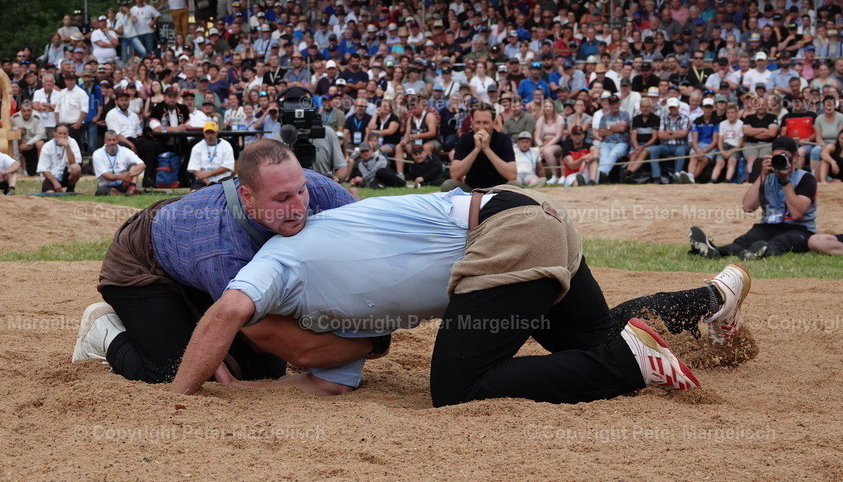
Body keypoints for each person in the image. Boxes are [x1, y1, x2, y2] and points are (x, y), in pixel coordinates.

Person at [160, 186, 753, 404]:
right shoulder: (333, 219)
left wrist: (180, 394)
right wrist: (273, 385)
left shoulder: (275, 262)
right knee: (592, 338)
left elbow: (229, 311)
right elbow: (325, 373)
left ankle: (630, 363)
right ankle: (707, 299)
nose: (293, 209)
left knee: (455, 387)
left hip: (504, 236)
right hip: (529, 216)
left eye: (293, 197)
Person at [72, 139, 362, 389]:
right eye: (282, 199)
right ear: (248, 197)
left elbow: (368, 240)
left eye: (300, 190)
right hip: (141, 265)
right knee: (177, 374)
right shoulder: (222, 251)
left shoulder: (317, 190)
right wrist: (366, 345)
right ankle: (105, 331)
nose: (299, 206)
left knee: (266, 370)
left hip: (187, 248)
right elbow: (248, 329)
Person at [689, 136, 816, 260]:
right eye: (775, 156)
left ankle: (756, 253)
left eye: (783, 156)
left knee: (779, 243)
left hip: (798, 229)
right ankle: (714, 251)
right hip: (768, 225)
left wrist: (785, 181)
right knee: (744, 241)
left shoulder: (806, 178)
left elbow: (797, 213)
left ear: (794, 158)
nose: (779, 160)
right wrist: (762, 175)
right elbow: (748, 207)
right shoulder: (767, 177)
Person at [447, 103, 516, 190]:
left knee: (515, 184)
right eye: (478, 122)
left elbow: (512, 175)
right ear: (472, 123)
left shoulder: (503, 139)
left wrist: (486, 149)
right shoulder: (465, 139)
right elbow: (454, 174)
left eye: (486, 122)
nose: (481, 127)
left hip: (499, 189)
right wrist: (476, 149)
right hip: (472, 189)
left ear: (493, 122)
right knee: (448, 185)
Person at [648, 98, 692, 184]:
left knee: (680, 151)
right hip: (666, 146)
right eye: (671, 107)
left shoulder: (685, 118)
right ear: (668, 108)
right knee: (653, 150)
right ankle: (656, 176)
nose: (673, 109)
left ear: (678, 107)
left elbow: (684, 134)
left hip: (681, 145)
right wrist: (677, 134)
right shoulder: (663, 118)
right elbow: (660, 135)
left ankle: (677, 176)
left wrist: (670, 132)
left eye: (674, 107)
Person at [93, 129, 146, 195]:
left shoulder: (125, 150)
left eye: (114, 140)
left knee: (134, 165)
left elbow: (142, 165)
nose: (112, 142)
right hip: (107, 184)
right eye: (109, 140)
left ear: (118, 140)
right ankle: (128, 192)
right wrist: (121, 176)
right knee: (101, 191)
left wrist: (129, 175)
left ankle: (131, 188)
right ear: (105, 141)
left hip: (124, 183)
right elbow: (105, 176)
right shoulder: (98, 153)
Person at [187, 120, 235, 190]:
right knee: (193, 194)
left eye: (212, 132)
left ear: (217, 133)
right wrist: (208, 182)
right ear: (204, 133)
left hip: (223, 179)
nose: (210, 135)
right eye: (207, 133)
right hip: (203, 180)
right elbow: (195, 170)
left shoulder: (226, 145)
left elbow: (227, 166)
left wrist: (209, 174)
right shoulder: (197, 147)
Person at [595, 94, 631, 182]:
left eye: (616, 103)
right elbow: (600, 132)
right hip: (606, 143)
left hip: (621, 143)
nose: (614, 106)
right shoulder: (604, 117)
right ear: (609, 105)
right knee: (603, 156)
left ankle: (600, 176)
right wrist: (616, 127)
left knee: (613, 154)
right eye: (612, 104)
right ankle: (601, 176)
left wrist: (608, 127)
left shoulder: (625, 114)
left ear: (619, 104)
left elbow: (623, 128)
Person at [38, 124, 82, 193]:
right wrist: (55, 183)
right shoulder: (47, 146)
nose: (62, 136)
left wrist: (67, 146)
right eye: (60, 134)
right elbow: (44, 169)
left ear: (68, 134)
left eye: (65, 134)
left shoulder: (72, 142)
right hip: (51, 175)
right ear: (55, 134)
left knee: (76, 167)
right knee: (50, 193)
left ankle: (70, 189)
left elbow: (73, 163)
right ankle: (52, 188)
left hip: (65, 173)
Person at [711, 103, 745, 183]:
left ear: (736, 113)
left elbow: (740, 143)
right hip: (724, 146)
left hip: (735, 147)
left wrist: (731, 152)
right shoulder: (723, 124)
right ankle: (712, 180)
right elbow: (720, 140)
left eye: (732, 113)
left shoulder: (741, 124)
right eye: (728, 113)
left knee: (732, 161)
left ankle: (728, 180)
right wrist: (722, 151)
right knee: (719, 162)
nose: (730, 115)